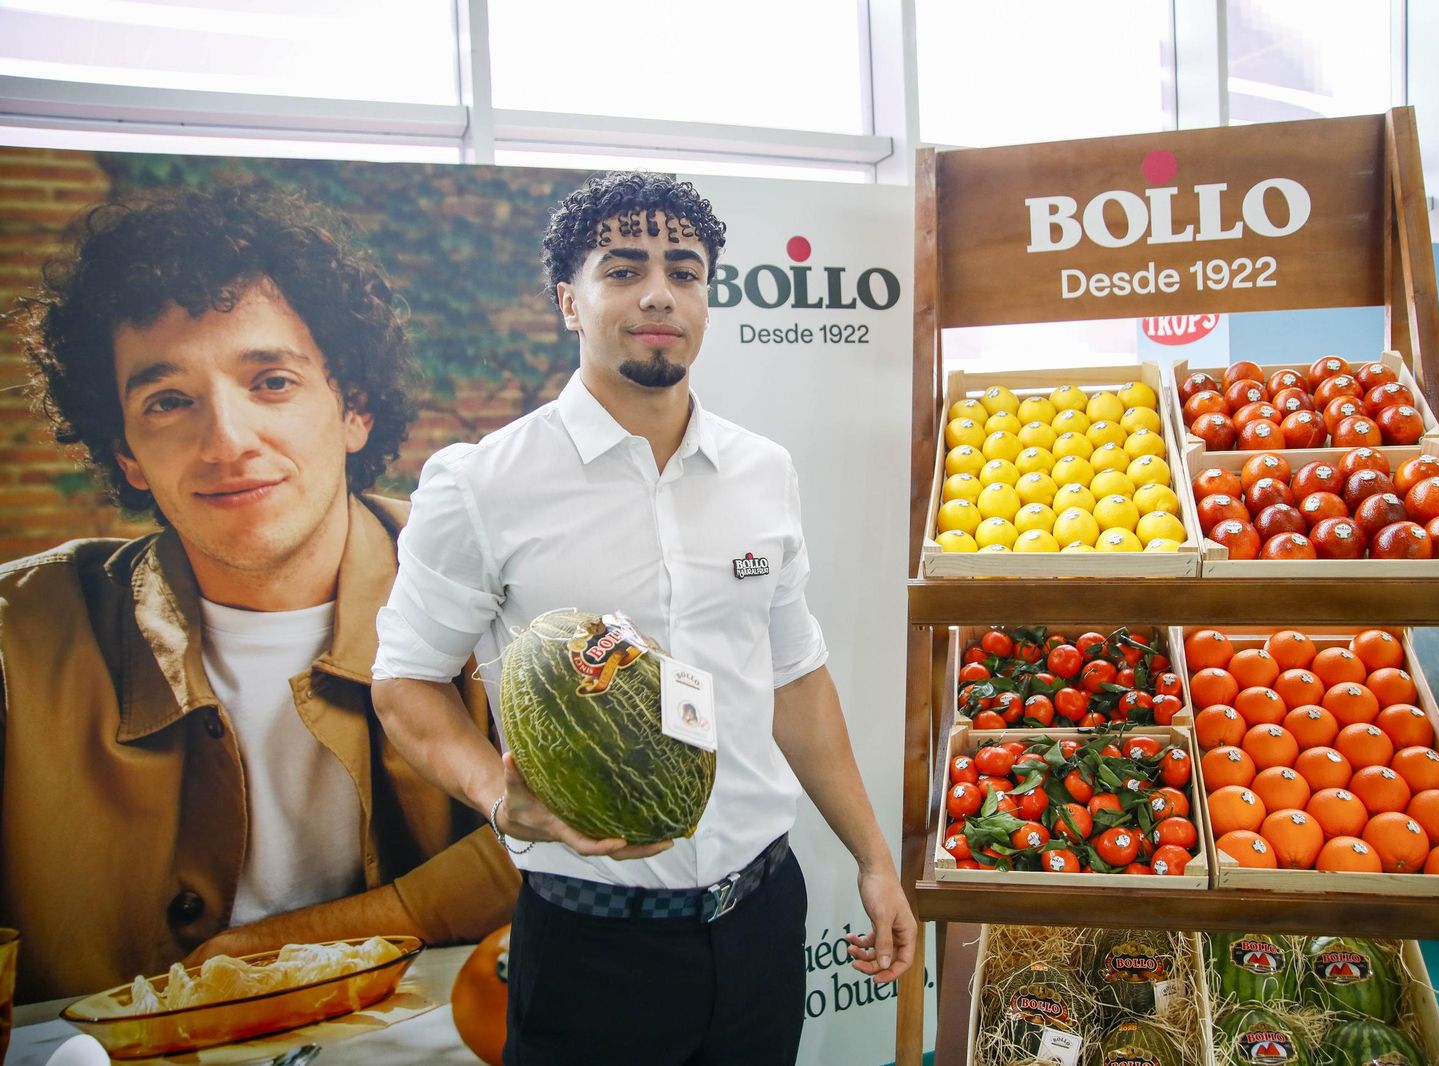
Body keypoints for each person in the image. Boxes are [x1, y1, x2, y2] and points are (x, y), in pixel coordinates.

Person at [370, 171, 915, 1065]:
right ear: (569, 302)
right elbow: (405, 684)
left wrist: (873, 858)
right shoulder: (481, 484)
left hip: (762, 919)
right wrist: (499, 799)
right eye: (622, 270)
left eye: (685, 272)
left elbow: (794, 676)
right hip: (592, 945)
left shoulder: (761, 470)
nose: (658, 293)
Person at [0, 182, 520, 1003]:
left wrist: (346, 926)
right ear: (129, 454)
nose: (227, 441)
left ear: (352, 409)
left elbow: (619, 827)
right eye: (169, 401)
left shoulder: (507, 588)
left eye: (271, 382)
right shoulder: (16, 641)